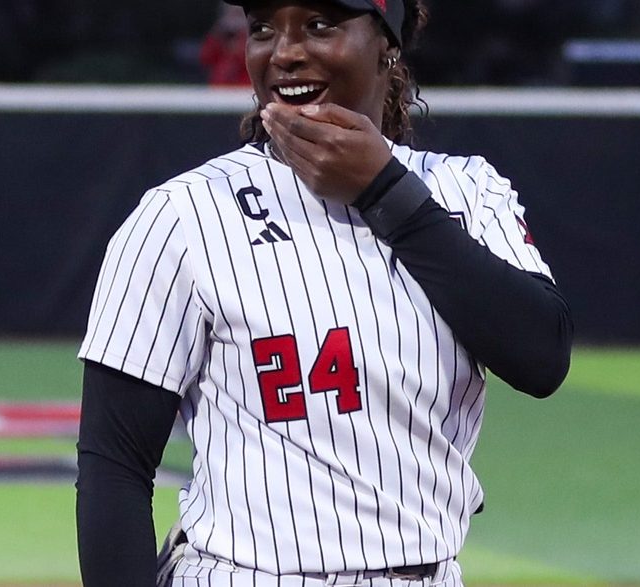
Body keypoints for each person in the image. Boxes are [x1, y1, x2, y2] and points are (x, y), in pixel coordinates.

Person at [75, 1, 573, 586]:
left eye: (320, 25)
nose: (285, 52)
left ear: (387, 45)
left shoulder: (465, 190)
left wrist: (385, 191)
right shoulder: (183, 215)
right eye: (264, 29)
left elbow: (541, 356)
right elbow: (115, 465)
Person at [199, 4, 252, 86]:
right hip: (219, 88)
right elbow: (205, 58)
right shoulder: (219, 35)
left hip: (244, 88)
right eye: (231, 13)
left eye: (238, 13)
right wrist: (218, 33)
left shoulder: (253, 37)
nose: (234, 18)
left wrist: (243, 34)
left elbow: (248, 59)